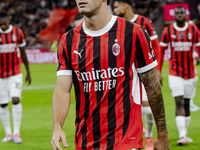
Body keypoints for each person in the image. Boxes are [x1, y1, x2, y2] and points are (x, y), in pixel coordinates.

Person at [51, 0, 170, 150]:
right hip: (85, 140)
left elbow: (152, 86)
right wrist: (57, 127)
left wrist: (162, 134)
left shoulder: (133, 33)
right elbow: (62, 90)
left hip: (126, 139)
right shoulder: (68, 41)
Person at [112, 0, 161, 150]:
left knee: (147, 108)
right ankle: (132, 140)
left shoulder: (143, 22)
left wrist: (157, 69)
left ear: (125, 5)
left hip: (143, 70)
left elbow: (155, 45)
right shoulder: (114, 23)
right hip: (124, 74)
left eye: (116, 6)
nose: (114, 10)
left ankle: (149, 136)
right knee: (127, 108)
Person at [159, 6, 200, 145]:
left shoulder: (194, 29)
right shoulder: (167, 30)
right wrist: (158, 70)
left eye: (182, 13)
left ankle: (185, 134)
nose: (179, 15)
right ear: (174, 16)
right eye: (177, 13)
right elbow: (161, 50)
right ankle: (182, 136)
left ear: (186, 14)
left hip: (191, 74)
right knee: (179, 101)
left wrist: (198, 56)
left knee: (187, 103)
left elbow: (199, 47)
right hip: (174, 72)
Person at [0, 11, 31, 144]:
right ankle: (8, 134)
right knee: (2, 104)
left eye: (5, 23)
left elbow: (23, 53)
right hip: (0, 76)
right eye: (1, 24)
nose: (3, 26)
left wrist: (28, 72)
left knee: (15, 99)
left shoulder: (17, 32)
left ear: (9, 20)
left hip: (15, 73)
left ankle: (16, 133)